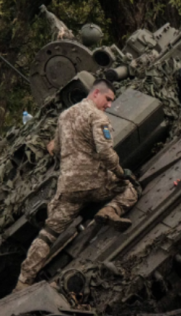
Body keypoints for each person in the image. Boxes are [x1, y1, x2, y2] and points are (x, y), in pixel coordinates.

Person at [15, 79, 138, 291]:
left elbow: (56, 149)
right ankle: (110, 210)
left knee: (48, 234)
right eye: (107, 100)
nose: (109, 105)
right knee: (130, 189)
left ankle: (23, 282)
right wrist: (120, 173)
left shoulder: (64, 116)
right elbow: (105, 152)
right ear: (96, 93)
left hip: (68, 188)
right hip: (95, 182)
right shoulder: (97, 117)